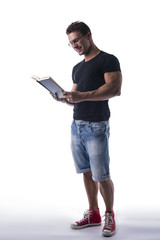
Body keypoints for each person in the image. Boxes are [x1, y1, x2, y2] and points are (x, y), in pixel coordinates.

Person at [51, 21, 122, 237]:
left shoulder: (107, 60)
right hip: (77, 126)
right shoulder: (78, 68)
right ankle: (93, 214)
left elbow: (114, 89)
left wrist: (82, 96)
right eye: (71, 43)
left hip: (97, 125)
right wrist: (64, 99)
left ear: (88, 35)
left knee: (102, 175)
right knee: (87, 173)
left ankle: (109, 215)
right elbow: (76, 97)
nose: (75, 45)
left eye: (77, 40)